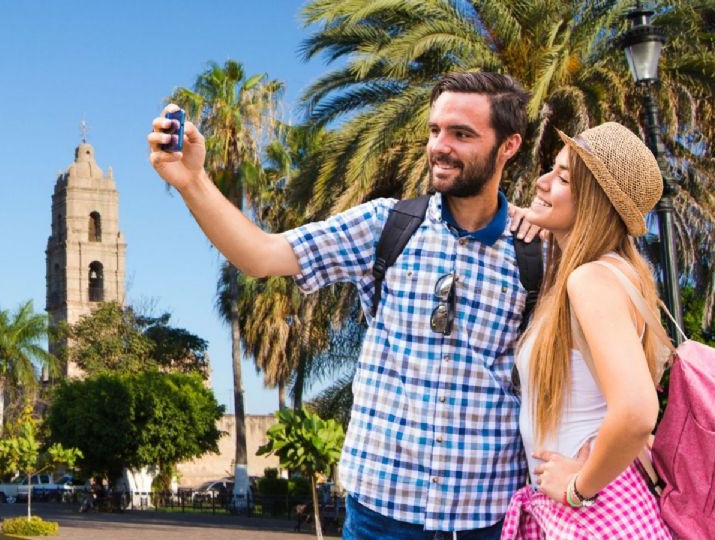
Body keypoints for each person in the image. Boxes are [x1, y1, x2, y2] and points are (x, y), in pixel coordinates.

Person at [149, 71, 538, 540]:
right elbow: (260, 255)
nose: (440, 146)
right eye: (435, 130)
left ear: (509, 146)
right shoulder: (386, 225)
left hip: (488, 521)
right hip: (380, 517)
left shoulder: (534, 251)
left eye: (462, 134)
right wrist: (192, 180)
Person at [501, 122, 671, 538]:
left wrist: (578, 488)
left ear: (593, 201)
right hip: (605, 505)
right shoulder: (614, 274)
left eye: (562, 177)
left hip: (592, 513)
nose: (541, 182)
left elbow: (636, 412)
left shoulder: (590, 280)